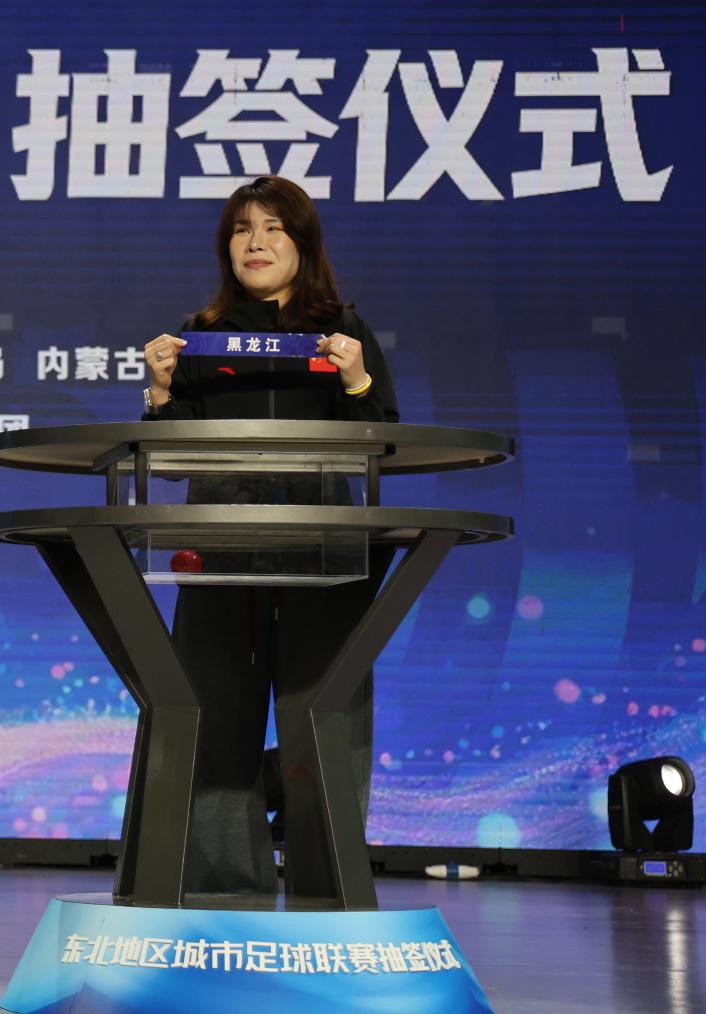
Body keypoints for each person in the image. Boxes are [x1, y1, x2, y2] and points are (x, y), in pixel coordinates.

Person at [142, 176, 398, 895]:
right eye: (241, 229)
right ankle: (223, 892)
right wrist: (160, 393)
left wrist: (355, 380)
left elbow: (382, 440)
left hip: (324, 554)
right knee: (215, 722)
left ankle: (327, 890)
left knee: (323, 722)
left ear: (303, 244)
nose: (254, 242)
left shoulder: (343, 331)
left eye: (273, 228)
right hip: (220, 552)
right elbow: (169, 461)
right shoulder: (198, 335)